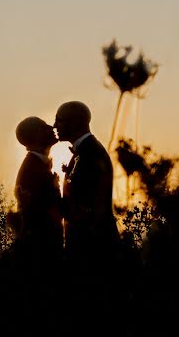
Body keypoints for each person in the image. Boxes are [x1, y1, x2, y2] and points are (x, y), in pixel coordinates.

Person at [54, 101, 118, 264]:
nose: (55, 125)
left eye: (59, 120)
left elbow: (86, 207)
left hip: (93, 250)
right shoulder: (84, 151)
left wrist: (50, 198)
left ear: (74, 122)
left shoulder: (91, 154)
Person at [12, 116, 63, 267]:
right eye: (44, 127)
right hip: (41, 256)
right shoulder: (32, 169)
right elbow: (38, 214)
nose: (51, 128)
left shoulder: (37, 165)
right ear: (35, 136)